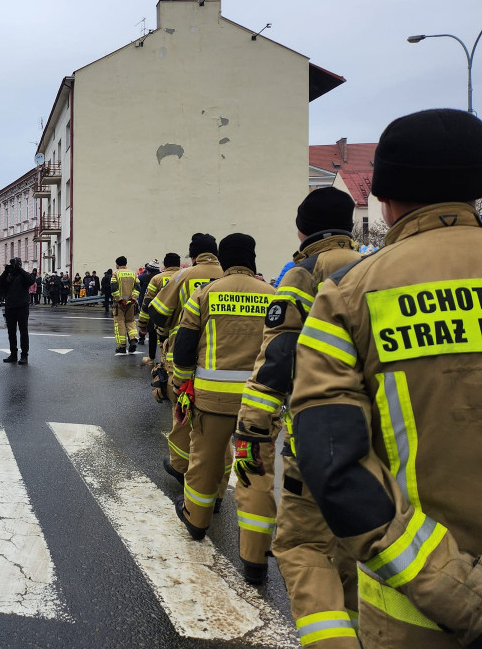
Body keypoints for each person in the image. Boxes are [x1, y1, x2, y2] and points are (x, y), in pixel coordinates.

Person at [291, 109, 482, 649]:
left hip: (417, 615)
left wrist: (458, 593)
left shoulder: (351, 294)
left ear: (386, 197)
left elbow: (333, 463)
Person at [233, 187, 361, 643]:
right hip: (381, 435)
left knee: (304, 545)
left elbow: (279, 355)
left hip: (319, 435)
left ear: (302, 229)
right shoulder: (371, 267)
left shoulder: (303, 274)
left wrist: (253, 426)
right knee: (354, 546)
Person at [170, 233, 276, 584]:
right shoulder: (273, 296)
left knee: (205, 460)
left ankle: (197, 521)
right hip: (258, 402)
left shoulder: (206, 293)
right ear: (253, 256)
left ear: (224, 258)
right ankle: (256, 557)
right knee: (256, 472)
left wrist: (181, 383)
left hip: (212, 399)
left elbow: (184, 347)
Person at [149, 234, 223, 483]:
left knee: (182, 410)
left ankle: (181, 466)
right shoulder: (229, 275)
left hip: (183, 355)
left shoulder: (183, 275)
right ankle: (214, 475)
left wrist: (165, 333)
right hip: (220, 359)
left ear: (192, 256)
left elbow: (158, 313)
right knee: (215, 420)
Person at [139, 254, 182, 365]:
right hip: (183, 317)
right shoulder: (186, 276)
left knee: (156, 336)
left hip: (160, 316)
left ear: (165, 265)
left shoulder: (157, 278)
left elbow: (147, 302)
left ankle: (153, 359)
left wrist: (142, 324)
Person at [0, 257, 35, 364]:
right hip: (10, 307)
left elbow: (31, 280)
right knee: (11, 332)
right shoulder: (8, 275)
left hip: (22, 307)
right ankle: (13, 354)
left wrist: (20, 270)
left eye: (15, 265)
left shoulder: (23, 275)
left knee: (23, 331)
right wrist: (6, 272)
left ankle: (24, 355)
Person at [110, 256, 141, 354]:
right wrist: (133, 299)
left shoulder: (116, 273)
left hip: (120, 304)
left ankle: (122, 346)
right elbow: (138, 287)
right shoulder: (133, 274)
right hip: (131, 303)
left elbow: (113, 288)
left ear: (117, 264)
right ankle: (133, 339)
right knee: (130, 321)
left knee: (120, 323)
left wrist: (119, 299)